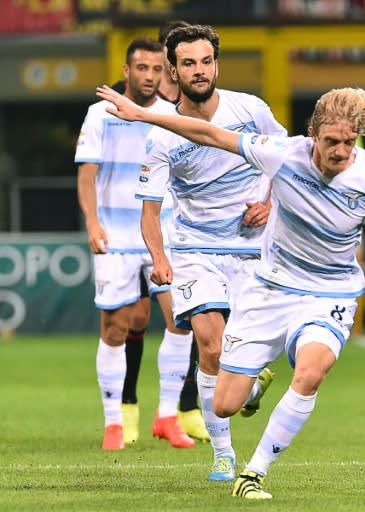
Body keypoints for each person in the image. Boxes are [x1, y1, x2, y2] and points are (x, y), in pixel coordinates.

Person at [95, 84, 365, 499]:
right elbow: (209, 134)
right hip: (271, 290)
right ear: (312, 135)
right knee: (226, 404)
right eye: (332, 142)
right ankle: (252, 388)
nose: (340, 152)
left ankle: (254, 474)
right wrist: (145, 116)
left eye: (349, 143)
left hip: (331, 294)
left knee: (310, 373)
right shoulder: (281, 152)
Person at [135, 24, 287, 482]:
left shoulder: (251, 110)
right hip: (194, 250)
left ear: (216, 64)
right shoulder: (161, 134)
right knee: (211, 346)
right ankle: (224, 454)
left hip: (251, 249)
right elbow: (150, 210)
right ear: (173, 71)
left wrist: (269, 202)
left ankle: (251, 381)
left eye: (206, 61)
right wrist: (159, 258)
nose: (199, 71)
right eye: (188, 64)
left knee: (247, 353)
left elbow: (289, 162)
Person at [75, 37, 196, 451]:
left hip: (161, 237)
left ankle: (167, 416)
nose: (149, 76)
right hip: (115, 237)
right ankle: (113, 422)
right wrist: (92, 223)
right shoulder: (100, 113)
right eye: (141, 68)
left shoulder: (172, 115)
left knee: (181, 320)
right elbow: (87, 174)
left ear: (165, 73)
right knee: (116, 328)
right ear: (127, 71)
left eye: (156, 69)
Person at [109, 19, 208, 443]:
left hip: (181, 229)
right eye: (178, 55)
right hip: (134, 228)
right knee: (134, 319)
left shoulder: (197, 105)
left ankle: (182, 410)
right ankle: (128, 406)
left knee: (187, 319)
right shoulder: (128, 104)